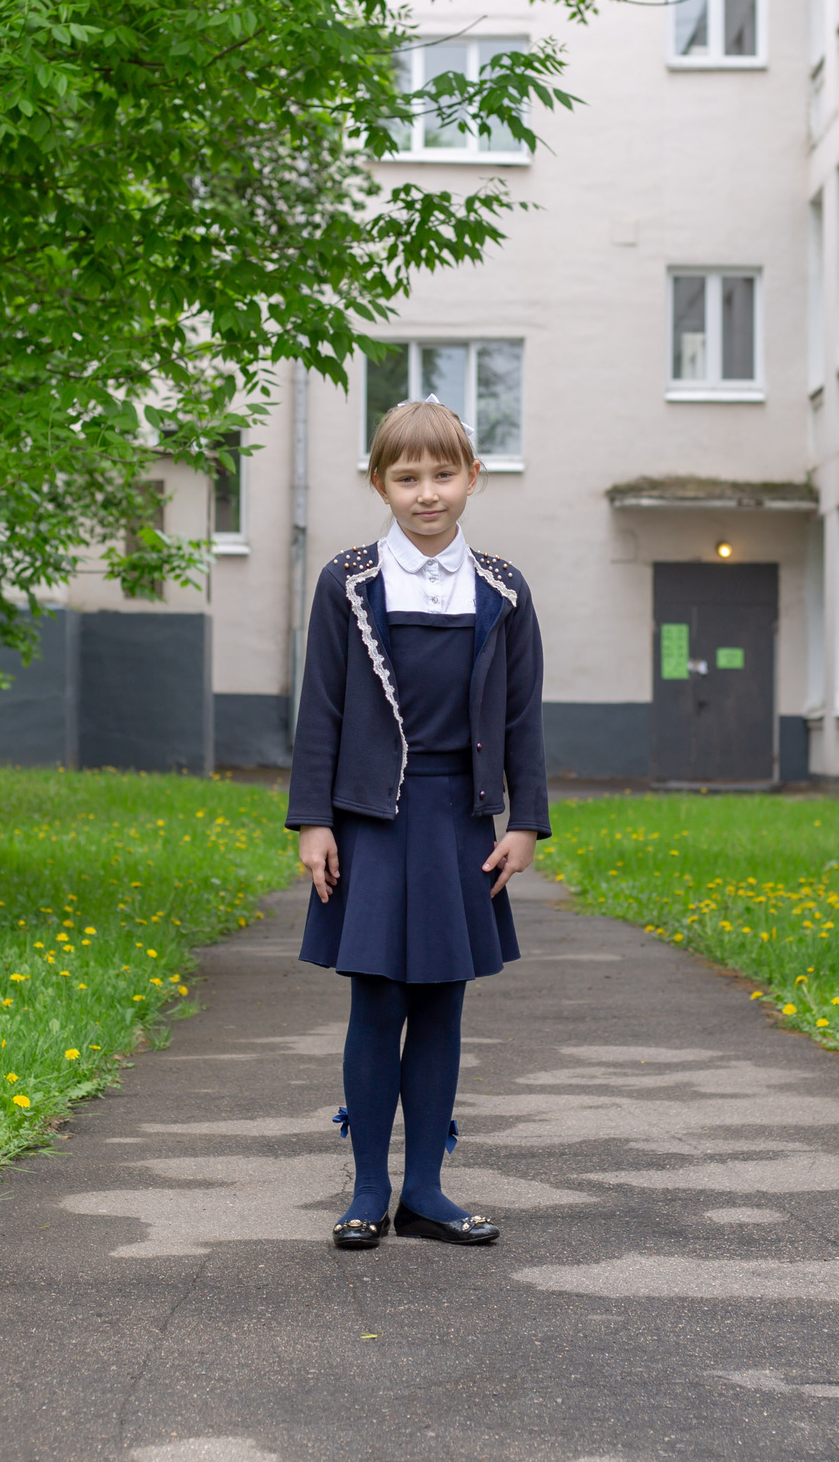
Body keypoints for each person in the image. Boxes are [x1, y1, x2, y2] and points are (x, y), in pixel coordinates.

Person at [286, 396, 550, 1250]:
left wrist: (525, 821)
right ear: (380, 483)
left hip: (459, 822)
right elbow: (320, 709)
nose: (426, 492)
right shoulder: (349, 581)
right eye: (407, 477)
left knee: (442, 1003)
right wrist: (313, 821)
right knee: (379, 999)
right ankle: (368, 1187)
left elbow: (522, 717)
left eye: (443, 474)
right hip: (371, 821)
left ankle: (427, 1189)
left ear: (472, 477)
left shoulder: (503, 590)